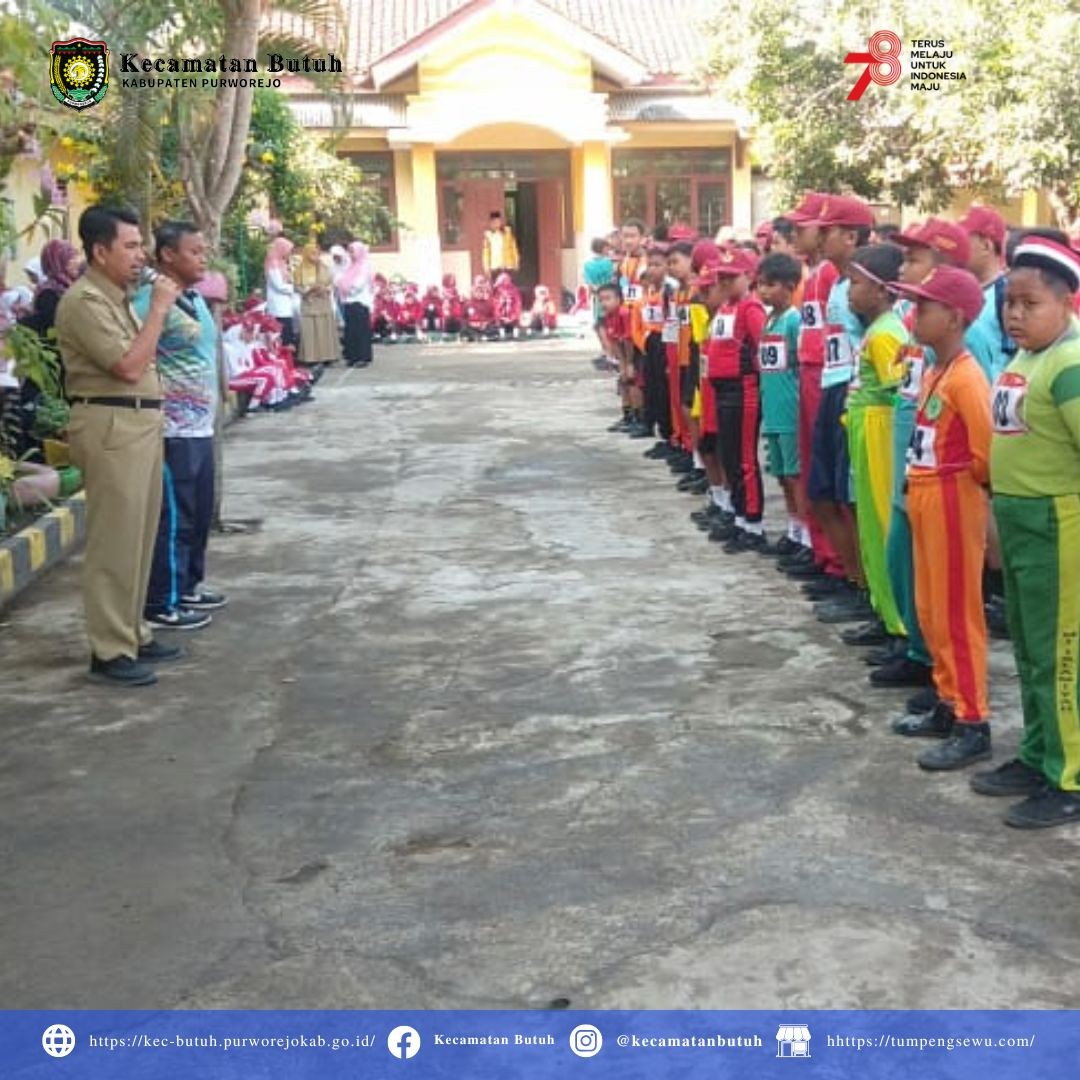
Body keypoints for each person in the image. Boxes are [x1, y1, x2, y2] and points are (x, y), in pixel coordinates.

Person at [973, 236, 1080, 828]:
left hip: (1057, 521)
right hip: (1018, 517)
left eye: (1029, 303)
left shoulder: (1069, 364)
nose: (1014, 314)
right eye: (1009, 303)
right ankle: (1039, 755)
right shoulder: (1025, 358)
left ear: (1065, 303)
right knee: (1031, 650)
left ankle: (1070, 776)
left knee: (1061, 655)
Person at [56, 204, 183, 687]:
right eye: (129, 246)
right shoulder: (85, 301)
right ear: (99, 250)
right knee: (115, 540)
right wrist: (159, 309)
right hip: (110, 425)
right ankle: (109, 649)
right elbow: (128, 366)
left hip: (138, 426)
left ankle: (132, 631)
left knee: (140, 535)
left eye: (139, 245)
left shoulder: (117, 296)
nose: (140, 255)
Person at [884, 266, 993, 770]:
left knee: (956, 613)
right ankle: (947, 699)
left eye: (923, 308)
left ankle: (973, 720)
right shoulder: (934, 369)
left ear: (953, 317)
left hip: (952, 499)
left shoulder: (968, 377)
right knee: (930, 609)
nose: (912, 315)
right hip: (926, 496)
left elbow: (987, 455)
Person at [133, 221, 224, 633]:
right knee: (177, 518)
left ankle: (188, 585)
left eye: (204, 251)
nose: (203, 258)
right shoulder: (150, 300)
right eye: (195, 251)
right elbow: (136, 348)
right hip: (172, 428)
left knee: (200, 512)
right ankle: (162, 601)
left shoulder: (193, 298)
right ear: (168, 255)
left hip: (201, 427)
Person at [804, 194, 876, 625]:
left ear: (850, 236)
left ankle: (865, 586)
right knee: (824, 492)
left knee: (849, 497)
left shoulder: (866, 288)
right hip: (831, 387)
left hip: (851, 390)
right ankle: (850, 578)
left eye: (827, 231)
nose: (821, 237)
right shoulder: (833, 281)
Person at [844, 244, 907, 648]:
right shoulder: (877, 330)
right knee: (868, 524)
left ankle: (898, 624)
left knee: (883, 525)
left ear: (882, 290)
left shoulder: (887, 335)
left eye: (856, 283)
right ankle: (880, 609)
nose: (849, 292)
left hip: (881, 434)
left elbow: (898, 393)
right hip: (866, 431)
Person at [699, 247, 767, 552]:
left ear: (748, 277)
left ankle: (753, 524)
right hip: (723, 390)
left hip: (744, 390)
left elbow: (762, 348)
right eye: (721, 278)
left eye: (731, 277)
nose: (724, 283)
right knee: (729, 457)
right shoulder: (725, 308)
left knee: (743, 460)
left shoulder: (750, 309)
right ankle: (739, 517)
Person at [756, 252, 809, 559]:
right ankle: (792, 528)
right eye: (760, 284)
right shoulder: (770, 319)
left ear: (790, 286)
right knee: (780, 474)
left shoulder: (794, 320)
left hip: (790, 410)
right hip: (773, 410)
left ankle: (805, 535)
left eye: (770, 284)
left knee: (794, 474)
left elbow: (799, 365)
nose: (763, 291)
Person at [959, 205, 1014, 379]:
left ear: (986, 245)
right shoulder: (956, 294)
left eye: (963, 240)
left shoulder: (1007, 295)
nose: (957, 248)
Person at [295, 241, 341, 371]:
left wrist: (326, 289)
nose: (316, 256)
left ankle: (328, 357)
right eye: (313, 253)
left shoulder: (325, 267)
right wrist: (309, 290)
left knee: (324, 329)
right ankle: (311, 358)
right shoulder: (300, 269)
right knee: (311, 331)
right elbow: (297, 287)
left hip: (323, 302)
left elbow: (332, 282)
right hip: (310, 303)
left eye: (317, 253)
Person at [337, 240, 374, 367]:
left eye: (353, 251)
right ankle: (352, 356)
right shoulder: (350, 266)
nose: (350, 254)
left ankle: (363, 357)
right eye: (350, 251)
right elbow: (339, 281)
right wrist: (345, 287)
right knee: (351, 331)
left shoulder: (364, 266)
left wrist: (346, 288)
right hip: (349, 302)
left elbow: (358, 285)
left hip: (360, 302)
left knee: (361, 331)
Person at [583, 237, 616, 366]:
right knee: (609, 325)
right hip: (611, 295)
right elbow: (613, 278)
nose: (608, 249)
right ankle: (611, 353)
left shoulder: (587, 264)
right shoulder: (609, 263)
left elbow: (589, 284)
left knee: (600, 325)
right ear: (602, 248)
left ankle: (606, 352)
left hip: (598, 298)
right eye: (607, 247)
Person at [264, 237, 297, 348]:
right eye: (288, 250)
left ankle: (288, 359)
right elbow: (278, 285)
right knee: (282, 333)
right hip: (278, 304)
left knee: (287, 331)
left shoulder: (281, 263)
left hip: (285, 304)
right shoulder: (273, 263)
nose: (289, 253)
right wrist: (293, 288)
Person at [482, 210, 519, 280]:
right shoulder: (488, 235)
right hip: (495, 267)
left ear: (500, 222)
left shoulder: (507, 232)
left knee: (508, 287)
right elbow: (486, 253)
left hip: (508, 265)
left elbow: (514, 248)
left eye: (498, 221)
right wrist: (486, 267)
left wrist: (516, 262)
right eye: (494, 222)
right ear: (491, 223)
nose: (496, 224)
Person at [493, 272, 523, 338]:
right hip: (501, 316)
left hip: (512, 316)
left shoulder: (514, 290)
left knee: (516, 322)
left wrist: (512, 317)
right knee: (499, 323)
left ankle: (516, 336)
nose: (506, 281)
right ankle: (502, 336)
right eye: (504, 279)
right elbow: (495, 306)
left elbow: (518, 304)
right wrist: (501, 316)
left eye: (507, 279)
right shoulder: (496, 291)